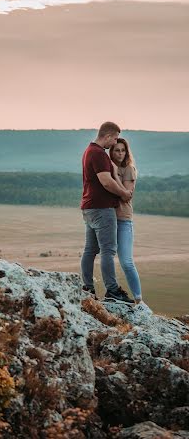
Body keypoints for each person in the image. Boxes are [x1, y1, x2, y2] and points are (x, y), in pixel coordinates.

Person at [80, 121, 134, 303]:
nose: (116, 142)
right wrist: (124, 194)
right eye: (116, 138)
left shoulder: (89, 151)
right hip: (102, 208)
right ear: (109, 136)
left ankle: (87, 288)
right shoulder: (98, 154)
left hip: (89, 207)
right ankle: (112, 291)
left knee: (90, 250)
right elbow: (106, 181)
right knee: (108, 251)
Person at [109, 138, 152, 313]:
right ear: (110, 151)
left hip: (123, 219)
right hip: (107, 219)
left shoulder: (128, 169)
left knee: (126, 261)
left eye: (123, 150)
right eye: (116, 150)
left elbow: (126, 195)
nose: (120, 153)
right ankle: (111, 292)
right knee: (105, 257)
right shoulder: (106, 166)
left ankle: (139, 300)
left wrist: (113, 173)